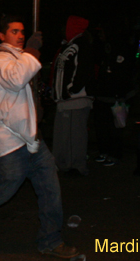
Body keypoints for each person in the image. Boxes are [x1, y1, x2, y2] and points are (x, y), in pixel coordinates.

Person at [0, 16, 79, 259]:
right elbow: (18, 78)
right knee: (3, 191)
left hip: (32, 139)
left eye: (22, 32)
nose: (20, 35)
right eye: (14, 31)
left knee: (51, 189)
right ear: (1, 35)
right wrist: (31, 50)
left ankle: (51, 240)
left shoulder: (15, 58)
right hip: (11, 140)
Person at [51, 15, 94, 176]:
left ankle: (75, 165)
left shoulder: (80, 45)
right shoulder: (70, 45)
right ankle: (64, 163)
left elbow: (84, 70)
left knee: (74, 135)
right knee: (65, 135)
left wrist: (71, 90)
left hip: (75, 100)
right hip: (68, 99)